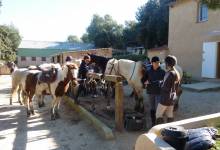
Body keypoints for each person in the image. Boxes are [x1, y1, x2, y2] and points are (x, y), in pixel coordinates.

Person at [155, 55, 180, 124]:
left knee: (158, 115)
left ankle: (159, 132)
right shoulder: (176, 73)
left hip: (165, 98)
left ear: (167, 64)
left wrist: (160, 84)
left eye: (165, 63)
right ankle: (170, 131)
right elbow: (173, 85)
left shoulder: (169, 73)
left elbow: (165, 87)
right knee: (169, 115)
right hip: (172, 98)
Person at [142, 56, 165, 127]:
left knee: (158, 108)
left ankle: (158, 124)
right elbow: (142, 80)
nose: (157, 64)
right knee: (152, 108)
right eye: (155, 62)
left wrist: (161, 82)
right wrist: (145, 82)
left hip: (159, 92)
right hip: (150, 92)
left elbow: (165, 81)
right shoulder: (148, 72)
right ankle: (153, 123)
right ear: (152, 63)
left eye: (158, 62)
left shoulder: (162, 72)